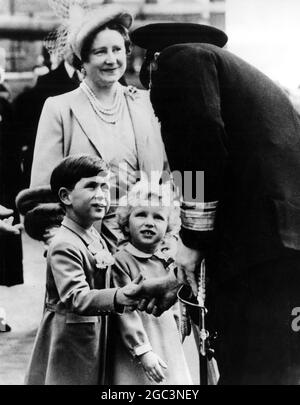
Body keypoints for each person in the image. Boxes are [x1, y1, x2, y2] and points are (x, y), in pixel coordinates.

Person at [130, 22, 300, 385]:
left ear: (153, 60)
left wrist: (191, 240)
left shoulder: (180, 59)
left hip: (256, 255)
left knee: (248, 369)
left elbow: (199, 147)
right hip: (281, 249)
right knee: (278, 365)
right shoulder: (244, 80)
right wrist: (179, 278)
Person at [17, 4, 168, 253]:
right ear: (82, 60)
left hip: (145, 251)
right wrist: (64, 248)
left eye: (117, 49)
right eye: (100, 52)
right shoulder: (59, 108)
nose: (111, 59)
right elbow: (42, 197)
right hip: (85, 251)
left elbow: (168, 177)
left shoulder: (145, 103)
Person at [25, 154, 144, 385]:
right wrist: (119, 295)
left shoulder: (89, 232)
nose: (101, 195)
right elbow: (76, 298)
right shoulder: (64, 244)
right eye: (91, 186)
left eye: (104, 187)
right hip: (69, 342)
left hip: (91, 336)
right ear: (65, 196)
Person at [109, 179, 192, 385]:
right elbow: (124, 314)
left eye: (158, 217)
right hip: (139, 345)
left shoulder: (169, 261)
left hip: (169, 341)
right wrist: (142, 350)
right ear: (126, 222)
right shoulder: (121, 261)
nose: (149, 222)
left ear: (168, 226)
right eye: (140, 214)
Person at [13, 47, 80, 189]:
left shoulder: (109, 79)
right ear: (64, 49)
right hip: (60, 170)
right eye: (72, 47)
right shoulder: (46, 83)